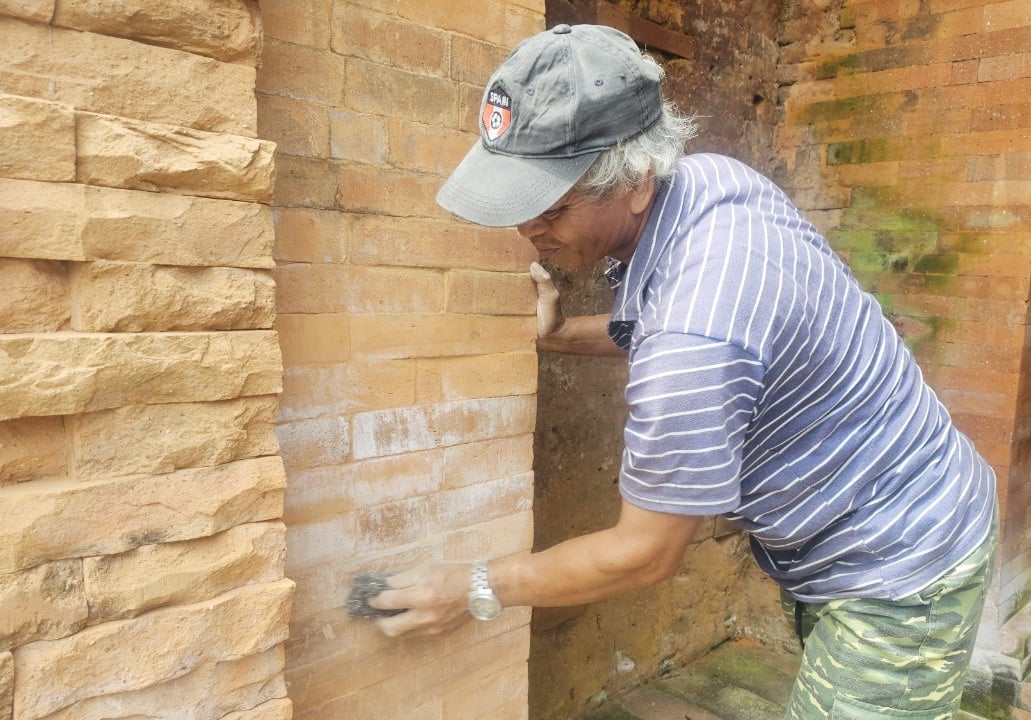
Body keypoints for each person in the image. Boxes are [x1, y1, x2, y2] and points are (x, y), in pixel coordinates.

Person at [369, 23, 998, 719]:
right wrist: (557, 336)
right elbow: (682, 332)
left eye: (550, 208)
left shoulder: (696, 330)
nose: (529, 232)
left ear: (636, 181)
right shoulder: (711, 181)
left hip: (902, 564)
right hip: (894, 503)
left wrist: (474, 587)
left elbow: (642, 553)